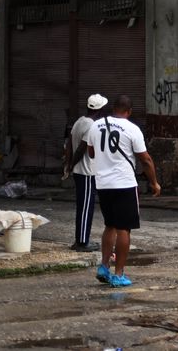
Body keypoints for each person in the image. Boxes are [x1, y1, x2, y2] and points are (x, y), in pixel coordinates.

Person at [84, 94, 160, 288]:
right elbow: (145, 159)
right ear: (129, 111)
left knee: (109, 225)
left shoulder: (96, 125)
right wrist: (154, 183)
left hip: (102, 183)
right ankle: (118, 274)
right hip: (124, 184)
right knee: (124, 229)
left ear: (113, 109)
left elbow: (91, 152)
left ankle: (103, 267)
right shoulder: (132, 129)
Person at [62, 93, 108, 252]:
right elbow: (81, 149)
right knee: (86, 207)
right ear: (100, 109)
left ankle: (81, 239)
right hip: (87, 172)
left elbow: (69, 144)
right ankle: (82, 242)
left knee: (83, 206)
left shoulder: (79, 122)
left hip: (79, 172)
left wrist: (68, 164)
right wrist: (71, 164)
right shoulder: (91, 126)